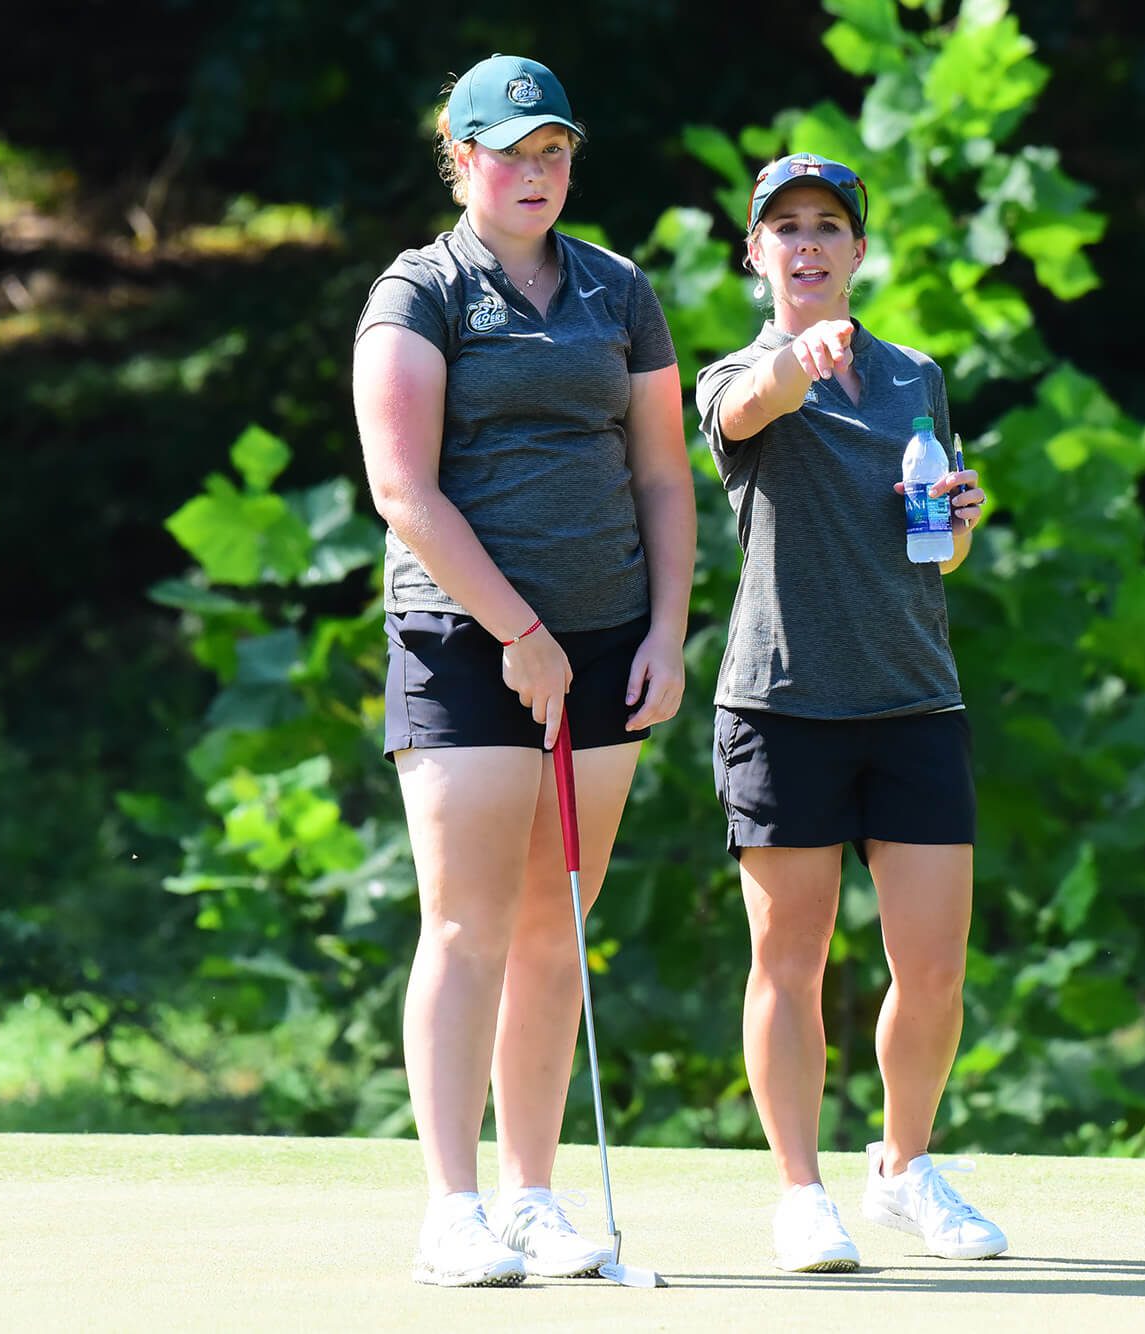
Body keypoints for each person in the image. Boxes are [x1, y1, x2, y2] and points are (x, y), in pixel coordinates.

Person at [350, 53, 693, 1287]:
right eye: (511, 150)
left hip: (606, 642)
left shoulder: (615, 289)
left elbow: (661, 472)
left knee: (556, 924)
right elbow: (406, 491)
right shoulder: (422, 290)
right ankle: (452, 1205)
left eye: (554, 151)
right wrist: (518, 633)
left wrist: (666, 628)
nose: (536, 172)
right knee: (467, 918)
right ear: (461, 154)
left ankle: (533, 1195)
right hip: (461, 641)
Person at [693, 153, 1006, 1273]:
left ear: (859, 249)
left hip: (914, 695)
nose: (808, 244)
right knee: (789, 961)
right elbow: (746, 406)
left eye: (828, 226)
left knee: (932, 969)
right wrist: (798, 361)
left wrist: (960, 517)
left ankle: (903, 1167)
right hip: (782, 703)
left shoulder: (915, 373)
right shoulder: (736, 372)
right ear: (755, 253)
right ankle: (796, 1191)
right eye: (785, 230)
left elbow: (937, 543)